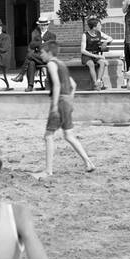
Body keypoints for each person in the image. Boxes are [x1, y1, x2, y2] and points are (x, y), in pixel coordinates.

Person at [35, 38, 95, 177]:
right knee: (68, 135)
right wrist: (69, 100)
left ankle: (48, 170)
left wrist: (55, 105)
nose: (41, 55)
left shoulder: (51, 64)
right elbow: (73, 84)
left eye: (42, 52)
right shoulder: (61, 63)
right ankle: (88, 162)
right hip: (67, 100)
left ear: (49, 52)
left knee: (48, 135)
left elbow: (56, 84)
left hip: (60, 101)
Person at [81, 16, 113, 90]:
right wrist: (96, 56)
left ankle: (98, 81)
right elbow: (82, 50)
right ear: (94, 27)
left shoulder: (99, 33)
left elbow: (110, 38)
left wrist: (105, 41)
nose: (101, 26)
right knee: (91, 64)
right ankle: (95, 83)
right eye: (99, 25)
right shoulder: (85, 35)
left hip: (96, 55)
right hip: (87, 55)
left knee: (102, 63)